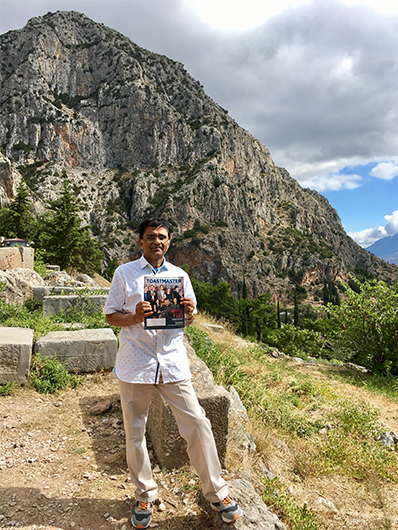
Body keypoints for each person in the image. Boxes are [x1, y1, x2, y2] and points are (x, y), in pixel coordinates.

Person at [103, 218, 242, 529]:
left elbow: (184, 321)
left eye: (162, 237)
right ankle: (144, 494)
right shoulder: (124, 273)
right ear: (140, 242)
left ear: (169, 241)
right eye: (150, 237)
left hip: (172, 363)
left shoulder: (179, 276)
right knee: (135, 432)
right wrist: (134, 316)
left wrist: (189, 315)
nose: (157, 242)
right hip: (136, 363)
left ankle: (217, 492)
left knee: (197, 422)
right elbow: (112, 315)